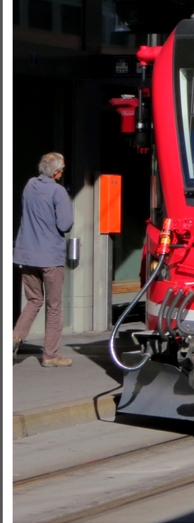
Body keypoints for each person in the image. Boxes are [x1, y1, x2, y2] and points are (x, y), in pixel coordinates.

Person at [13, 152, 74, 366]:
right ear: (56, 173)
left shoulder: (30, 185)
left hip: (26, 253)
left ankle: (15, 336)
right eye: (62, 170)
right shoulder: (58, 192)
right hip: (49, 256)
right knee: (54, 305)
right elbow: (65, 224)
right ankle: (50, 355)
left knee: (34, 300)